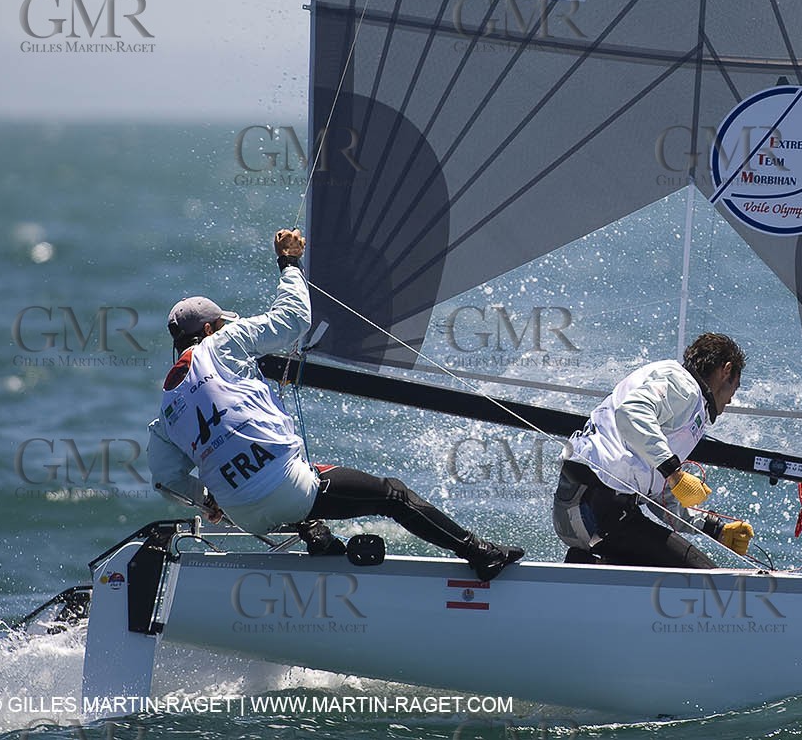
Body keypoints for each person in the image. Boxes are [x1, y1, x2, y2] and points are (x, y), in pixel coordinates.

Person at [147, 228, 522, 580]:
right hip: (288, 492)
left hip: (241, 513)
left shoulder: (166, 409)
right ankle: (481, 554)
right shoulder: (223, 344)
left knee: (296, 486)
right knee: (393, 495)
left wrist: (209, 500)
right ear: (210, 329)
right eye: (223, 324)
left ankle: (323, 548)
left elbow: (166, 479)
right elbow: (294, 319)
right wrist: (290, 264)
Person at [553, 332, 753, 568]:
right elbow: (631, 412)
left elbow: (658, 493)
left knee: (672, 568)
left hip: (583, 508)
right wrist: (674, 472)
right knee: (705, 578)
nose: (730, 401)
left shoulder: (676, 389)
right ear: (726, 370)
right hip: (598, 510)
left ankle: (586, 569)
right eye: (735, 388)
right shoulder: (684, 386)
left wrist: (713, 528)